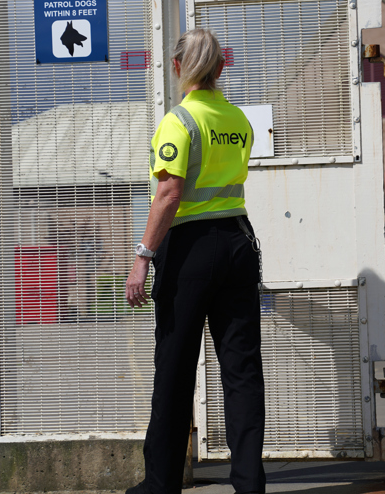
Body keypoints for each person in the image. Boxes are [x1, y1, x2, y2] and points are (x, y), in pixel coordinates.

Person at [124, 28, 266, 494]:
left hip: (189, 250)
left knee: (175, 368)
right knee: (242, 369)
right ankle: (248, 484)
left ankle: (160, 484)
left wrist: (142, 256)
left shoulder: (178, 121)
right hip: (238, 243)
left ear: (178, 66)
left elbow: (168, 194)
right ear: (221, 67)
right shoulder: (238, 119)